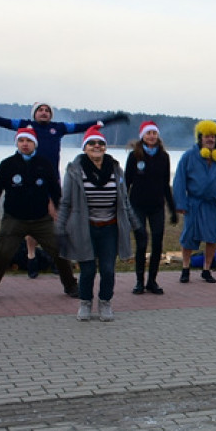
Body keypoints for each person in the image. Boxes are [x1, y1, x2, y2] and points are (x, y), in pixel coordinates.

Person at [0, 93, 128, 277]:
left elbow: (85, 126)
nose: (44, 112)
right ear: (34, 114)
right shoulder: (24, 126)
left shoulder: (59, 128)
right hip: (30, 181)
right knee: (32, 219)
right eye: (40, 110)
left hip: (52, 180)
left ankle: (58, 261)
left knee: (56, 218)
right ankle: (31, 257)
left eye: (47, 110)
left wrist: (114, 118)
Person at [0, 126, 79, 301]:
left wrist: (63, 216)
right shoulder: (7, 165)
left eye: (29, 141)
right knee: (2, 253)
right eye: (21, 141)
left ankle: (71, 285)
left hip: (41, 219)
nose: (25, 144)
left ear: (35, 144)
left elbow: (56, 193)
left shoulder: (45, 164)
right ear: (17, 143)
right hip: (14, 218)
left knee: (59, 250)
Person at [57, 125, 139, 321]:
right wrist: (59, 228)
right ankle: (85, 303)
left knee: (108, 269)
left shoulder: (116, 169)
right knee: (87, 270)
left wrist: (136, 225)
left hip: (110, 227)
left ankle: (105, 303)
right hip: (84, 228)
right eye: (91, 143)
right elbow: (66, 202)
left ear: (105, 147)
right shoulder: (74, 170)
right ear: (85, 148)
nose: (96, 146)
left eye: (100, 143)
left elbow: (124, 200)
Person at [173, 120, 216, 284]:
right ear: (200, 138)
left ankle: (206, 269)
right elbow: (179, 180)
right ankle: (185, 268)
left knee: (211, 237)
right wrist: (181, 203)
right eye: (207, 136)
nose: (211, 139)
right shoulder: (188, 156)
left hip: (212, 204)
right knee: (188, 237)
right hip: (193, 203)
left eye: (213, 136)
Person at [125, 121, 178, 295]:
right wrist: (123, 207)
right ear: (142, 136)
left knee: (157, 243)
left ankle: (152, 281)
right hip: (137, 205)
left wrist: (172, 209)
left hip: (157, 207)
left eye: (154, 133)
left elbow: (165, 184)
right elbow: (126, 182)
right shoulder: (134, 156)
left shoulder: (164, 157)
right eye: (148, 133)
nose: (152, 136)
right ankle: (139, 281)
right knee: (141, 243)